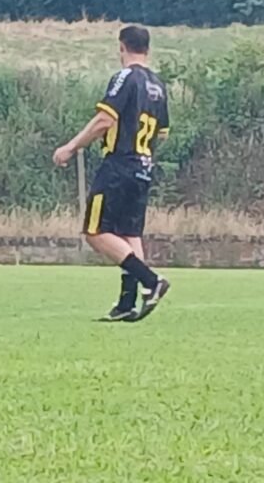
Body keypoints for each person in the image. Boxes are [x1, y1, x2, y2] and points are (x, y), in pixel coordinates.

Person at [53, 25, 171, 322]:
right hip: (144, 166)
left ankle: (151, 280)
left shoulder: (125, 77)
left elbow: (104, 120)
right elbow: (163, 133)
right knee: (129, 234)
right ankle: (127, 303)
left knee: (95, 232)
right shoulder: (158, 85)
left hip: (119, 165)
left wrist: (71, 146)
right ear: (148, 49)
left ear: (121, 47)